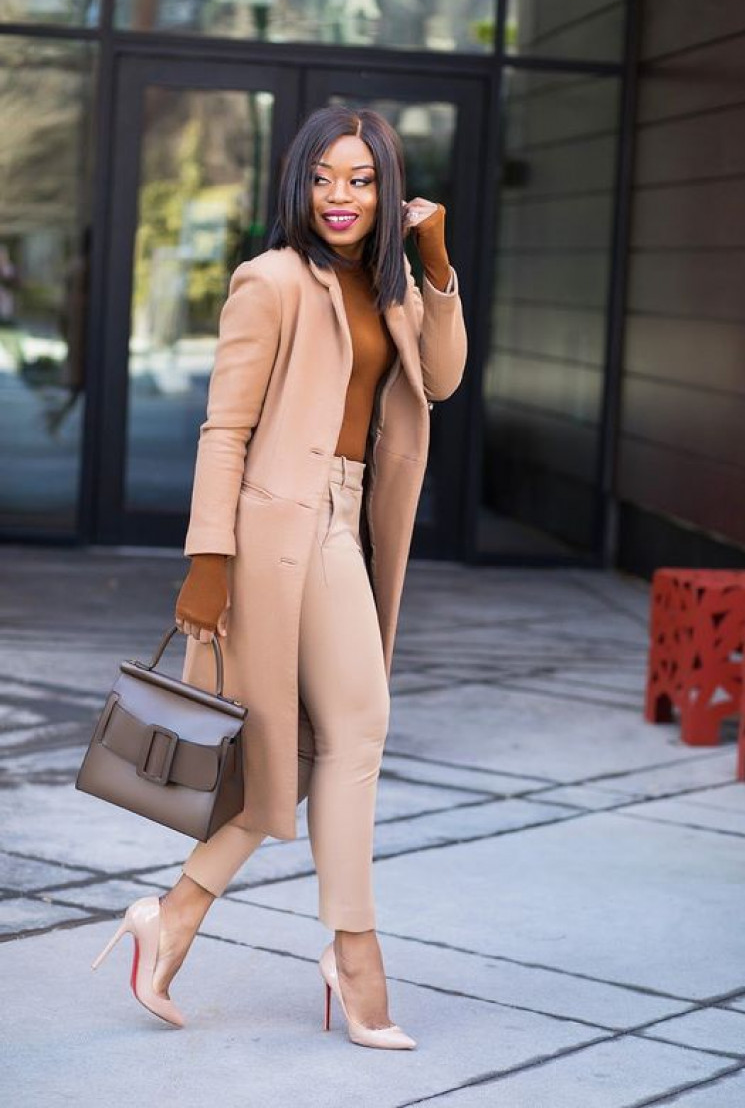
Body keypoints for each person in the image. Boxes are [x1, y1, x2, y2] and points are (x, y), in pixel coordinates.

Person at [92, 105, 467, 1049]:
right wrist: (206, 563)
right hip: (279, 529)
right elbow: (224, 430)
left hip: (347, 522)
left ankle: (171, 919)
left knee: (291, 758)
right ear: (298, 185)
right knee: (358, 729)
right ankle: (353, 954)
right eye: (322, 178)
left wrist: (437, 264)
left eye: (362, 180)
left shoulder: (388, 289)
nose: (340, 198)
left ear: (387, 189)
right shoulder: (271, 281)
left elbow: (446, 378)